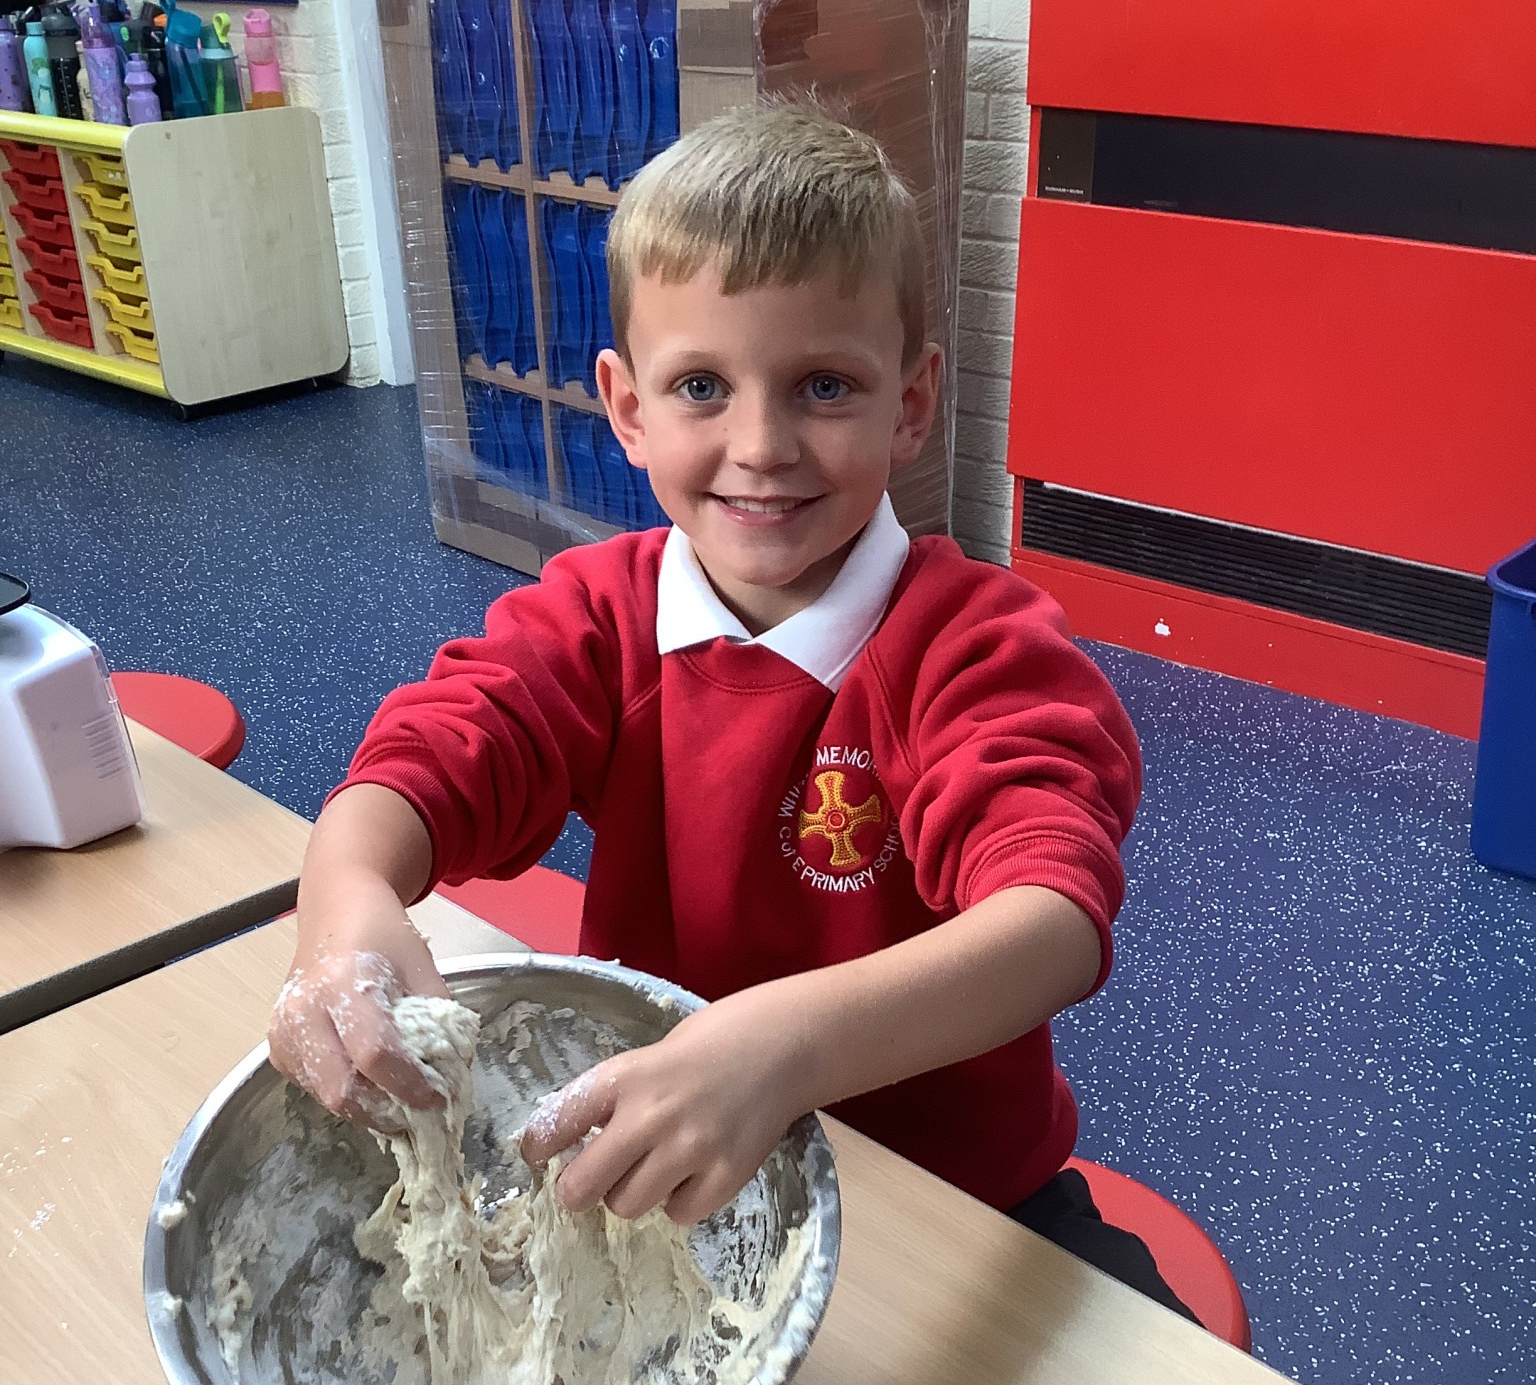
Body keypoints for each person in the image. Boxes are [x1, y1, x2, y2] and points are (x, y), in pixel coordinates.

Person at [270, 104, 1194, 1322]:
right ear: (628, 405)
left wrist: (785, 1048)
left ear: (911, 403)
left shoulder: (972, 647)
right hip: (681, 1184)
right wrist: (343, 895)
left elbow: (1053, 917)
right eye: (702, 385)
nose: (761, 447)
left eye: (824, 386)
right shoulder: (600, 617)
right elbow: (445, 743)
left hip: (960, 1204)